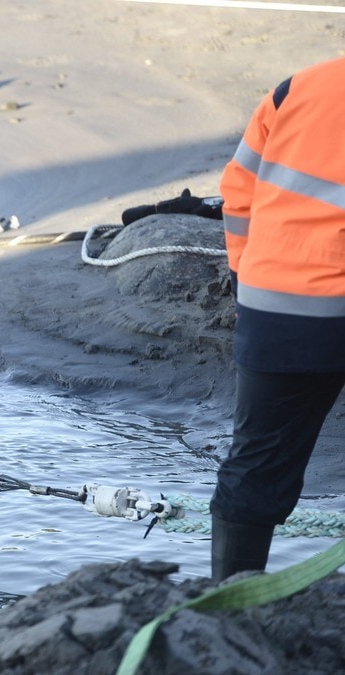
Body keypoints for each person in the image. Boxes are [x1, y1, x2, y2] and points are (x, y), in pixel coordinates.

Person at [211, 57, 345, 581]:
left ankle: (229, 604)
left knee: (256, 463)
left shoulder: (299, 87)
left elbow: (238, 189)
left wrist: (248, 276)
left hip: (278, 308)